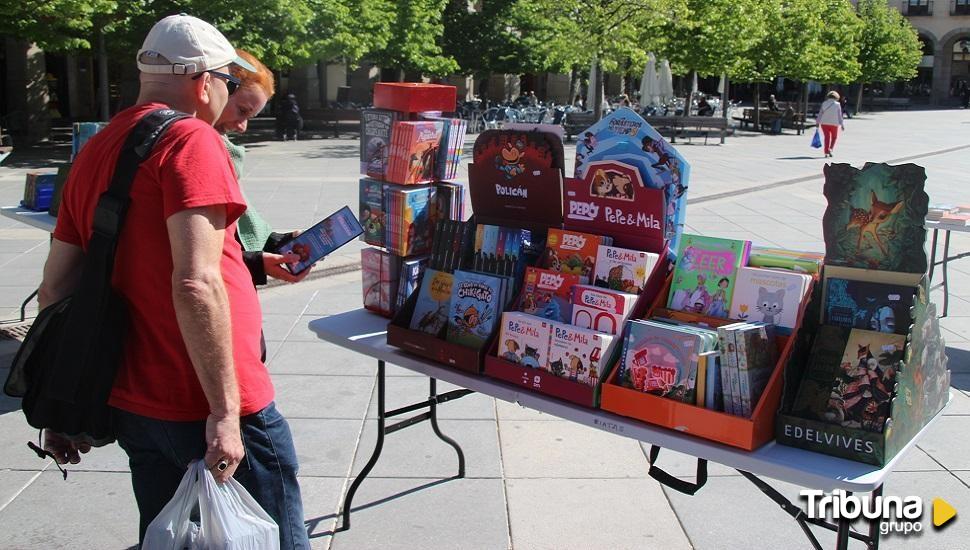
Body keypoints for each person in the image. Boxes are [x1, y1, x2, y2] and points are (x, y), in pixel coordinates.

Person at [39, 14, 310, 548]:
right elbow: (195, 282)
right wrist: (225, 412)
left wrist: (63, 399)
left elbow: (57, 287)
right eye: (229, 84)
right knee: (276, 537)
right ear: (204, 78)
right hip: (204, 399)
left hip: (133, 396)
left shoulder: (98, 146)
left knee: (168, 539)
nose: (227, 98)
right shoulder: (191, 140)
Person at [216, 49, 311, 286]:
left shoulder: (221, 152)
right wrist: (256, 262)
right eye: (242, 111)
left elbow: (237, 233)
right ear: (216, 90)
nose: (242, 127)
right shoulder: (195, 152)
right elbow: (196, 255)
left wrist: (278, 242)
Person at [816, 90, 845, 158]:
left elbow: (820, 113)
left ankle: (826, 152)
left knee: (827, 137)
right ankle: (830, 149)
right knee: (834, 137)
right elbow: (839, 115)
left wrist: (817, 122)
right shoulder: (837, 104)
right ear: (836, 97)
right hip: (834, 123)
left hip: (824, 123)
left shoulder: (824, 103)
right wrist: (842, 124)